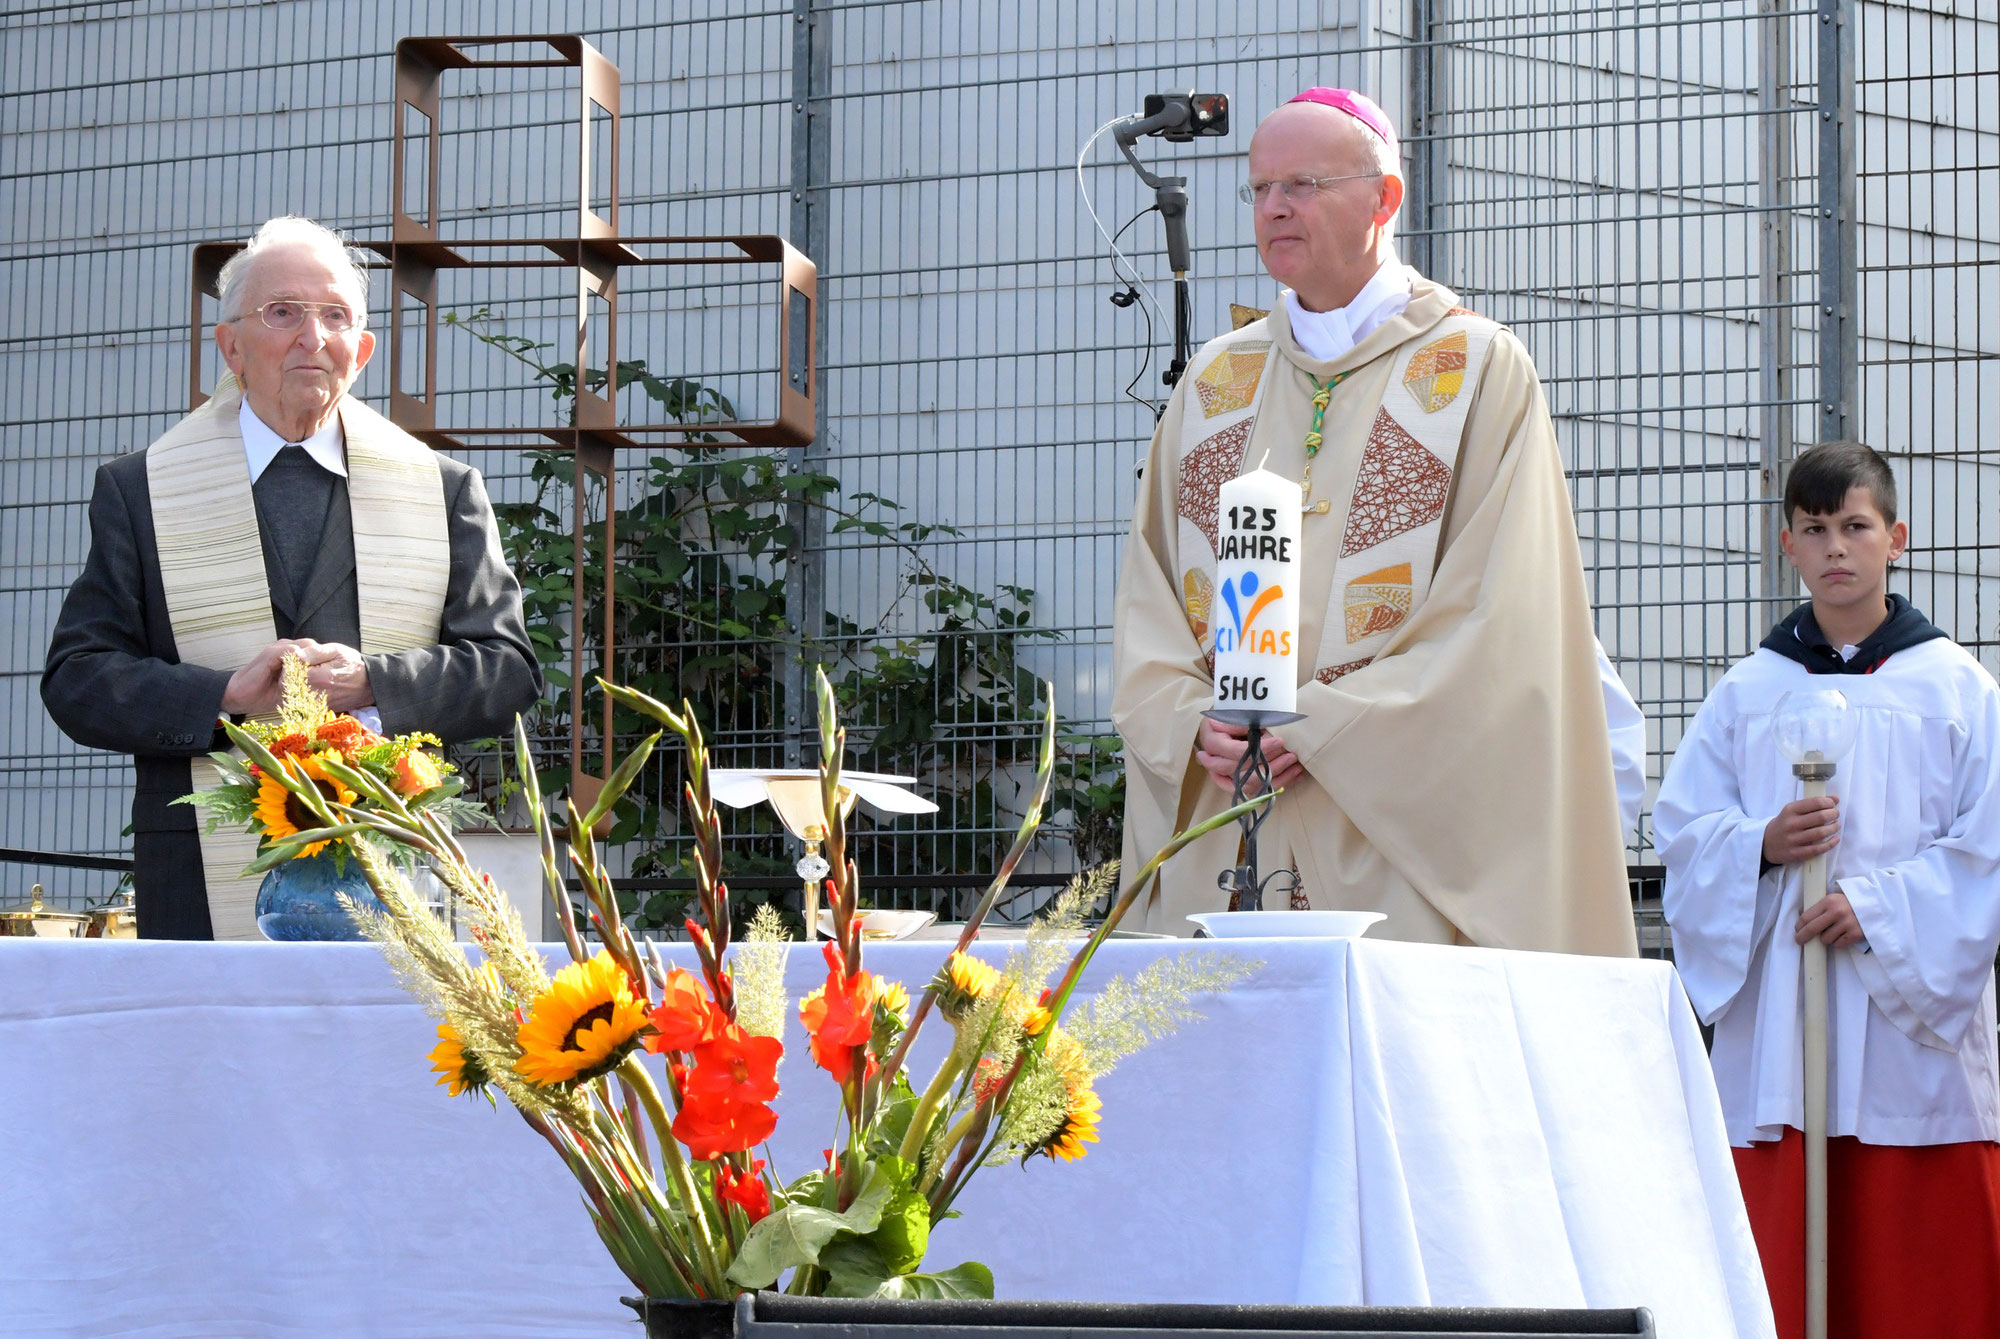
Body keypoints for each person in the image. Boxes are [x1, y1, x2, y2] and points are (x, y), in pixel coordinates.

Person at [1111, 87, 1635, 954]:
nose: (1275, 207)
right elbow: (1151, 602)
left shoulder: (1475, 369)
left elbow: (1504, 620)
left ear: (1385, 199)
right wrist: (1186, 720)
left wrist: (1332, 725)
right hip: (1229, 813)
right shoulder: (1213, 385)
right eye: (1260, 188)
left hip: (1394, 841)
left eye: (1304, 185)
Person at [43, 216, 542, 941]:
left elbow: (508, 669)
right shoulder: (144, 490)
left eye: (335, 316)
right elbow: (76, 678)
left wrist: (375, 680)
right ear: (231, 345)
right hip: (198, 892)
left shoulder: (440, 488)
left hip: (392, 865)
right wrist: (221, 695)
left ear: (363, 350)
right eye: (284, 312)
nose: (313, 337)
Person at [1654, 440, 2000, 1338]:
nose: (1837, 548)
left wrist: (1882, 909)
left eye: (1856, 526)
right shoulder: (1747, 691)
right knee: (1780, 1260)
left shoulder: (1958, 687)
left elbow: (1989, 844)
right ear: (1788, 547)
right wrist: (1760, 845)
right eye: (1816, 530)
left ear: (1898, 538)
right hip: (1782, 1008)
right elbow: (1686, 830)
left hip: (1906, 1017)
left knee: (1915, 1268)